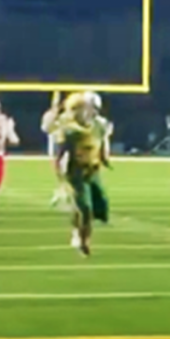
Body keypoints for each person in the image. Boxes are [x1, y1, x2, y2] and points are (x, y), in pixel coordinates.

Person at [55, 92, 113, 256]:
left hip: (93, 171)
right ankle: (83, 240)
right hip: (76, 171)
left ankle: (80, 229)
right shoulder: (70, 129)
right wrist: (60, 176)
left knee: (100, 207)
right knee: (85, 208)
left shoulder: (99, 125)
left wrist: (104, 158)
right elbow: (60, 154)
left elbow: (101, 142)